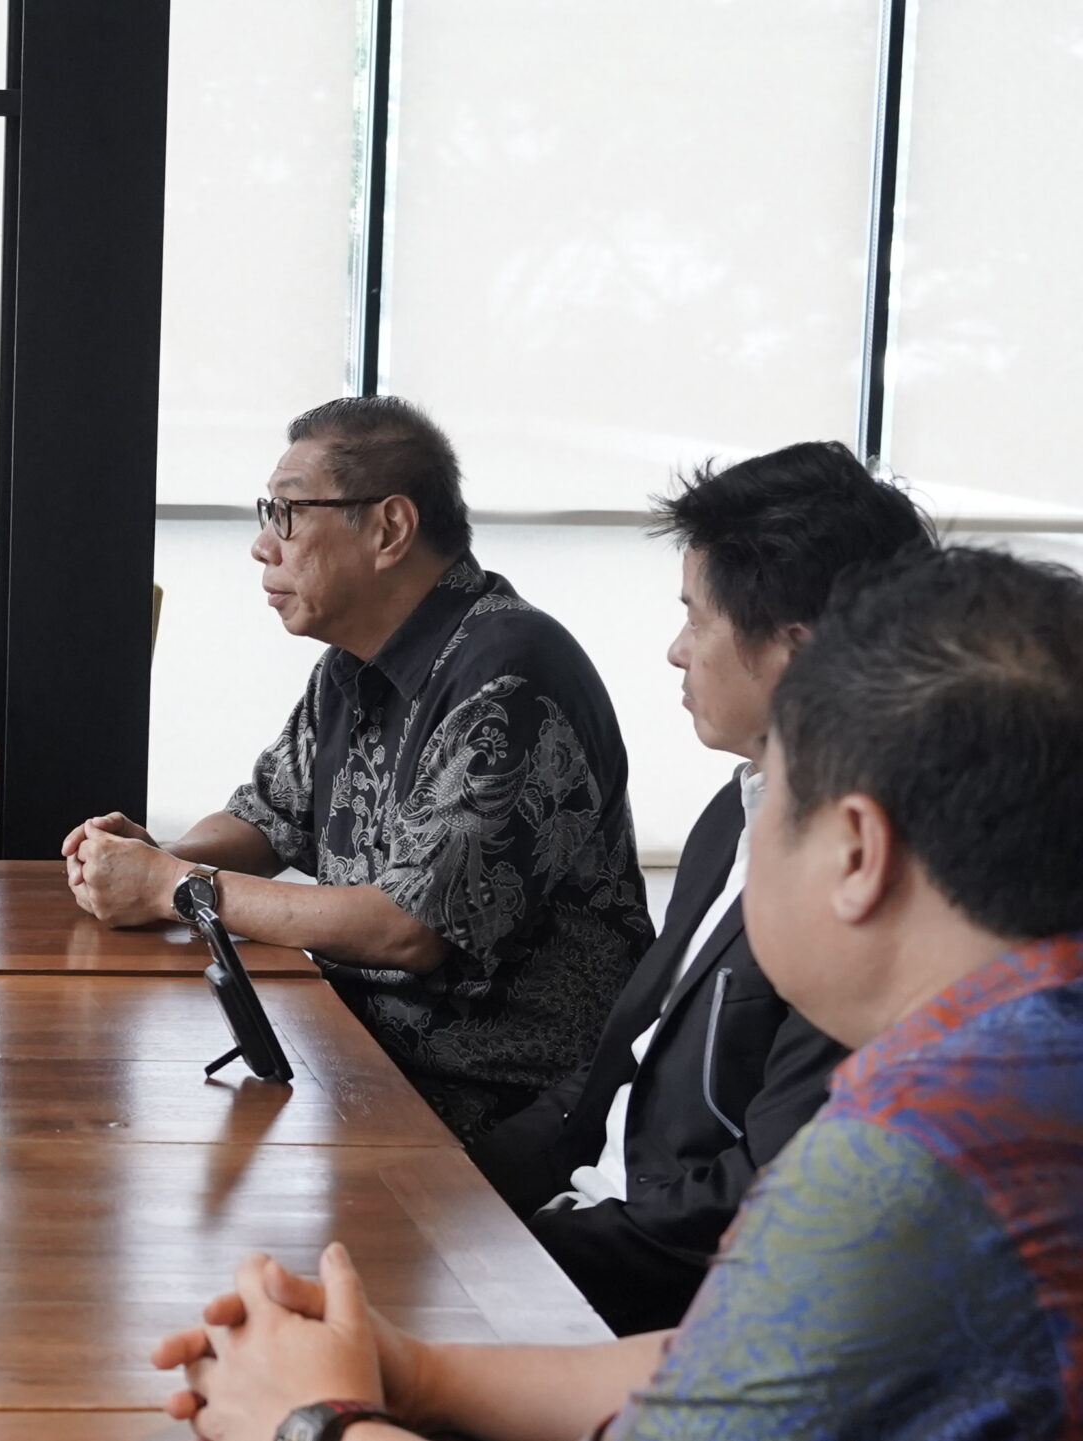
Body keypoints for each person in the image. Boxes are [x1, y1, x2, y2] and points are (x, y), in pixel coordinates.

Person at [151, 545, 1083, 1441]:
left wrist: (313, 1418)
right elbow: (721, 1363)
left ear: (856, 853)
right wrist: (413, 1370)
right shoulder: (1023, 1056)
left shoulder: (913, 1155)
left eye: (776, 798)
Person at [66, 397, 648, 1139]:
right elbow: (265, 821)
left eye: (286, 514)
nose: (261, 546)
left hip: (487, 1103)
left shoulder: (510, 675)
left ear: (389, 528)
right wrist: (156, 857)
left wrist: (173, 887)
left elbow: (406, 928)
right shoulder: (351, 665)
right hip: (353, 1051)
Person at [468, 442, 931, 1333]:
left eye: (695, 616)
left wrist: (519, 1255)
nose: (676, 650)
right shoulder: (736, 810)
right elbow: (627, 1062)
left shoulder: (873, 883)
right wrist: (453, 1182)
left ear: (794, 653)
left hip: (666, 1298)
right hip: (584, 1223)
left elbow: (762, 1194)